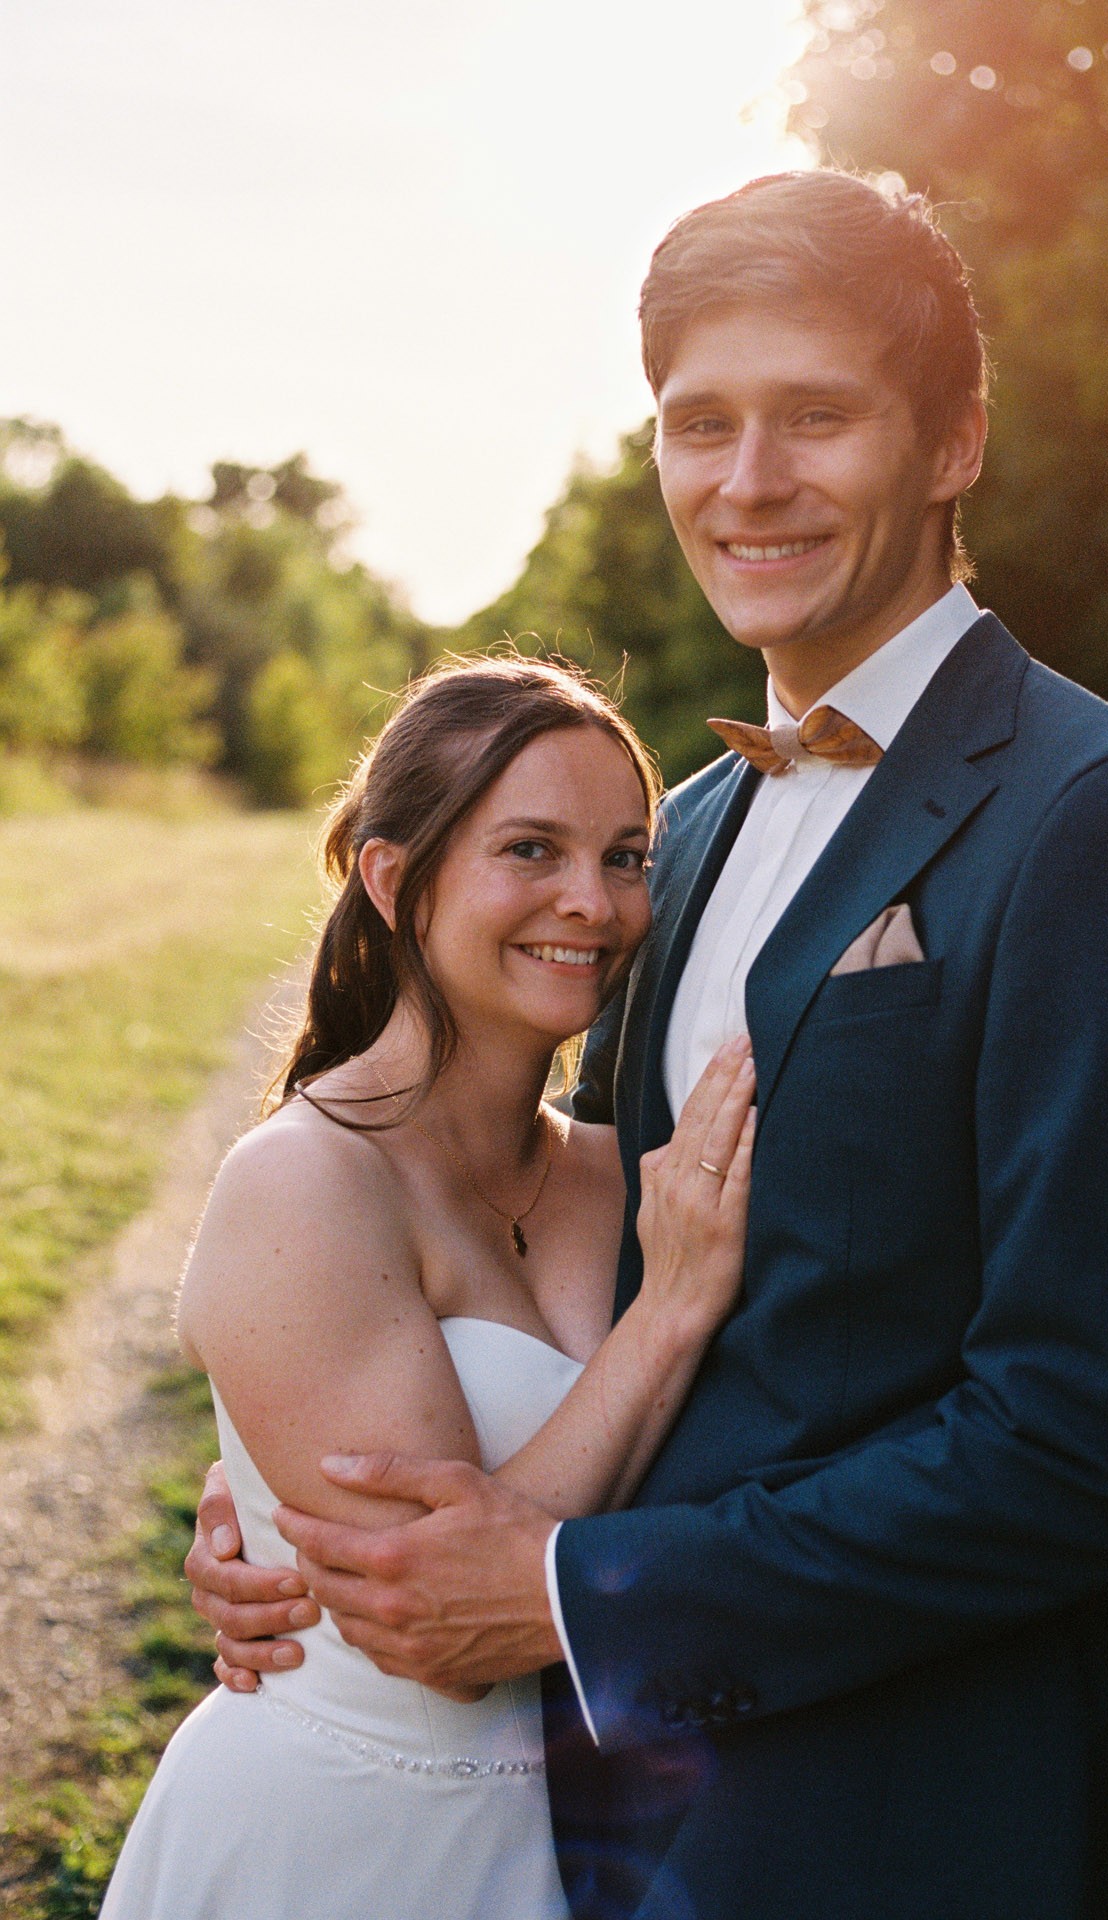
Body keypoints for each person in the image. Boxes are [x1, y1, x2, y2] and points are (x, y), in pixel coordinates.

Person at [189, 173, 1108, 1919]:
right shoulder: (668, 841)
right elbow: (536, 1256)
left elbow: (1091, 1443)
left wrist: (575, 1595)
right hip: (613, 1824)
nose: (746, 481)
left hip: (920, 1818)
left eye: (815, 417)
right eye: (700, 424)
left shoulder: (1101, 817)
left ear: (953, 443)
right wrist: (282, 1505)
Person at [101, 655, 757, 1919]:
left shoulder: (630, 1176)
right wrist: (670, 1313)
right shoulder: (305, 1182)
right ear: (394, 882)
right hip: (338, 1842)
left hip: (589, 1843)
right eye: (530, 849)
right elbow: (437, 1628)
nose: (593, 902)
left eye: (626, 857)